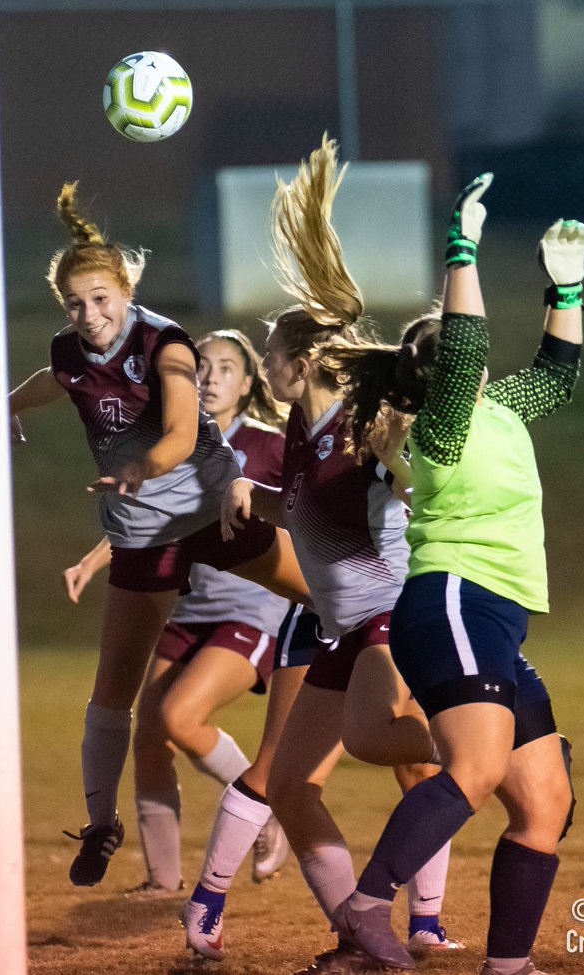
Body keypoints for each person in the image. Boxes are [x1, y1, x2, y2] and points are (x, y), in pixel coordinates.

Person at [180, 140, 462, 974]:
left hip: (388, 616)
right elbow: (302, 510)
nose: (263, 363)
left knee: (396, 750)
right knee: (292, 788)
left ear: (299, 365)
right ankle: (360, 930)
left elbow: (412, 475)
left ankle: (505, 749)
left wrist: (415, 478)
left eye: (268, 352)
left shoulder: (362, 425)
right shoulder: (300, 438)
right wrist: (252, 499)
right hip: (340, 630)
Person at [319, 175, 584, 975]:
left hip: (497, 617)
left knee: (545, 802)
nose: (475, 364)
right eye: (459, 360)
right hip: (453, 601)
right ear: (434, 379)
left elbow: (558, 371)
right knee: (470, 769)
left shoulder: (499, 408)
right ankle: (366, 907)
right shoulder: (435, 431)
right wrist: (461, 246)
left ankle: (507, 964)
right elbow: (467, 341)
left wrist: (564, 284)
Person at [8, 183, 310, 887]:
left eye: (101, 298)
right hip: (144, 538)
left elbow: (179, 432)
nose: (90, 314)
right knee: (115, 693)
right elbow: (55, 378)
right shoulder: (70, 350)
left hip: (212, 517)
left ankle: (287, 775)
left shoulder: (165, 342)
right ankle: (100, 822)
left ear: (126, 289)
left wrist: (138, 468)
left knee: (333, 592)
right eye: (76, 304)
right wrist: (9, 403)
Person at [62, 329, 293, 896]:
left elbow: (314, 508)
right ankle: (163, 880)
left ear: (247, 382)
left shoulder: (269, 444)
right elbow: (145, 525)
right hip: (184, 610)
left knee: (181, 718)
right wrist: (94, 561)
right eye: (200, 366)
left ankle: (268, 809)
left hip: (249, 613)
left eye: (224, 367)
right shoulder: (174, 443)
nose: (209, 377)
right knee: (148, 739)